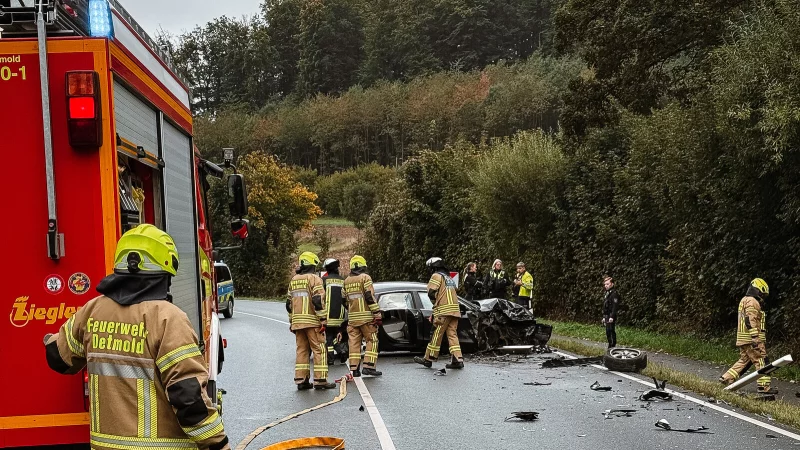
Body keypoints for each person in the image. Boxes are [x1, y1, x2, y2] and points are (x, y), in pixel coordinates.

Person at [42, 224, 230, 450]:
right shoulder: (168, 319)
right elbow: (187, 397)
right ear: (166, 271)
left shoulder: (92, 311)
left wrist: (48, 338)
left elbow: (58, 358)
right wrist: (218, 443)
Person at [286, 251, 336, 390]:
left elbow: (288, 304)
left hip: (298, 323)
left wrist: (292, 322)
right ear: (312, 265)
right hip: (313, 322)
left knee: (302, 350)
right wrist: (323, 320)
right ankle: (320, 380)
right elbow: (317, 300)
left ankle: (301, 380)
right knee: (319, 349)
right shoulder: (315, 279)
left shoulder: (294, 280)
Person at [720, 278, 772, 393]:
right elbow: (750, 319)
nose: (763, 297)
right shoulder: (753, 302)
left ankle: (727, 378)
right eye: (763, 294)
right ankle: (764, 387)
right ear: (758, 290)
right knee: (762, 360)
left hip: (743, 339)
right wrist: (755, 337)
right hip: (751, 339)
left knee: (745, 360)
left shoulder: (744, 300)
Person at [414, 257, 464, 369]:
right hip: (455, 311)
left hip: (443, 311)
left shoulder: (436, 276)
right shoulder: (448, 278)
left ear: (433, 267)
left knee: (436, 334)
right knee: (452, 335)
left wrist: (435, 309)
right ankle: (458, 360)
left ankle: (428, 359)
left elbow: (431, 293)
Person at [342, 255, 382, 377]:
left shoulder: (346, 281)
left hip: (353, 319)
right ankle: (369, 366)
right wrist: (377, 313)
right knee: (372, 340)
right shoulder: (365, 278)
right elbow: (369, 297)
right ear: (362, 266)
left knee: (354, 343)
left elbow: (343, 300)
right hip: (366, 318)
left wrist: (351, 310)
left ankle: (354, 369)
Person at [322, 258, 347, 365]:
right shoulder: (343, 280)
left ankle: (330, 358)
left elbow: (320, 298)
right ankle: (341, 351)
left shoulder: (324, 280)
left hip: (328, 315)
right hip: (340, 315)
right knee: (334, 335)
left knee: (328, 337)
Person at [602, 276, 620, 348]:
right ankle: (610, 344)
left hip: (611, 315)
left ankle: (612, 345)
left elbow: (615, 306)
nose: (606, 286)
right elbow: (605, 306)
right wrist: (604, 316)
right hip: (607, 315)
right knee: (607, 331)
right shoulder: (607, 293)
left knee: (611, 330)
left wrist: (612, 316)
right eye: (605, 284)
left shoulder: (614, 294)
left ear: (612, 284)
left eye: (607, 284)